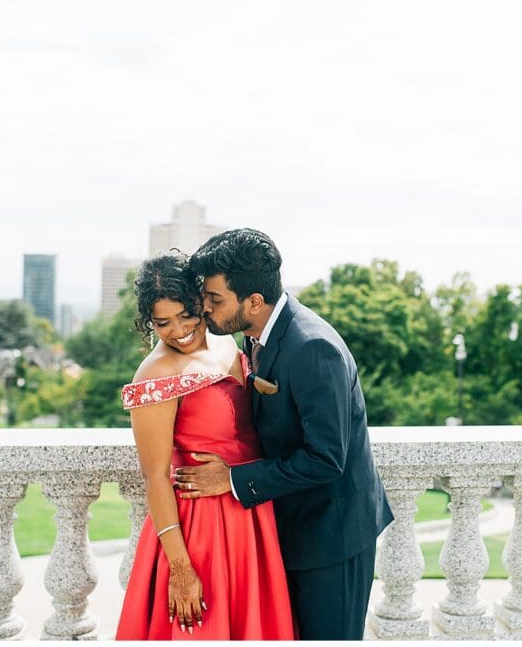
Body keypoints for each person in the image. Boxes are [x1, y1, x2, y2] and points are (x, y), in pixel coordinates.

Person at [171, 228, 394, 640]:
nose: (204, 308)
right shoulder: (254, 331)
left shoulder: (313, 348)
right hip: (290, 528)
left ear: (254, 301)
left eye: (215, 299)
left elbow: (326, 459)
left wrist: (233, 480)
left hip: (332, 537)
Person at [114, 250, 295, 640]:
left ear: (201, 303)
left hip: (250, 510)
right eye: (162, 322)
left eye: (187, 315)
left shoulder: (228, 341)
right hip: (200, 528)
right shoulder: (154, 373)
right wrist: (180, 569)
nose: (178, 330)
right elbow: (155, 476)